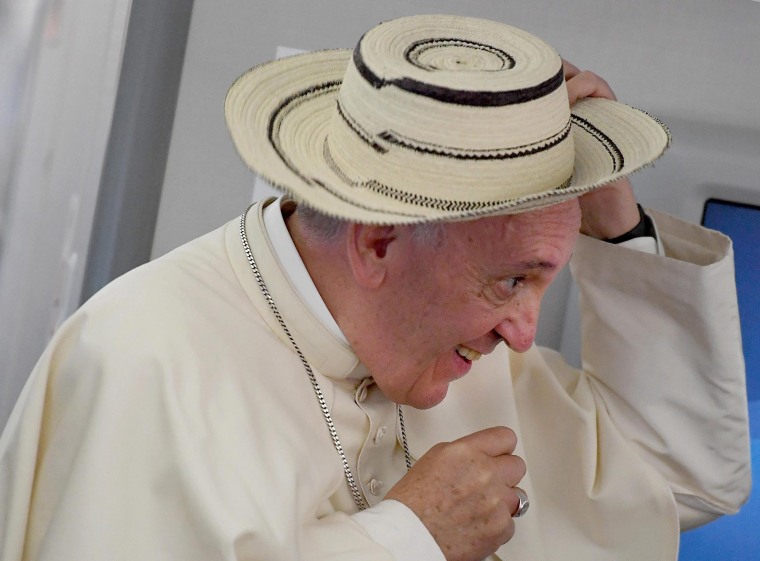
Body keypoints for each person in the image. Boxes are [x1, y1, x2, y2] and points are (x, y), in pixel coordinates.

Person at [0, 14, 751, 561]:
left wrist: (614, 219)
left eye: (546, 278)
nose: (526, 332)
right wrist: (406, 538)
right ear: (379, 240)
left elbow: (679, 478)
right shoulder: (145, 360)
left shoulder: (479, 357)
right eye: (512, 279)